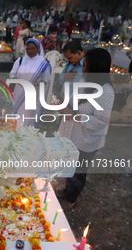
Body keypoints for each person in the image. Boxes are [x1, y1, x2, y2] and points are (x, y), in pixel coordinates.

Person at [57, 48, 115, 210]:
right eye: (84, 66)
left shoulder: (105, 92)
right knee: (70, 165)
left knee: (79, 171)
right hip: (72, 134)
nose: (83, 70)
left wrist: (75, 115)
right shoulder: (84, 82)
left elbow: (101, 121)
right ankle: (67, 191)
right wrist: (62, 106)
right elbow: (71, 103)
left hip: (86, 139)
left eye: (87, 68)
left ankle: (71, 199)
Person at [10, 38, 51, 127]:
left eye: (33, 48)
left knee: (30, 114)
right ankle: (16, 130)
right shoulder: (20, 60)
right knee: (19, 111)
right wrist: (18, 81)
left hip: (33, 92)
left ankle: (29, 132)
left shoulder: (43, 63)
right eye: (28, 49)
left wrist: (36, 84)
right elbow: (12, 74)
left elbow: (46, 79)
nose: (30, 51)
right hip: (19, 90)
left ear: (38, 49)